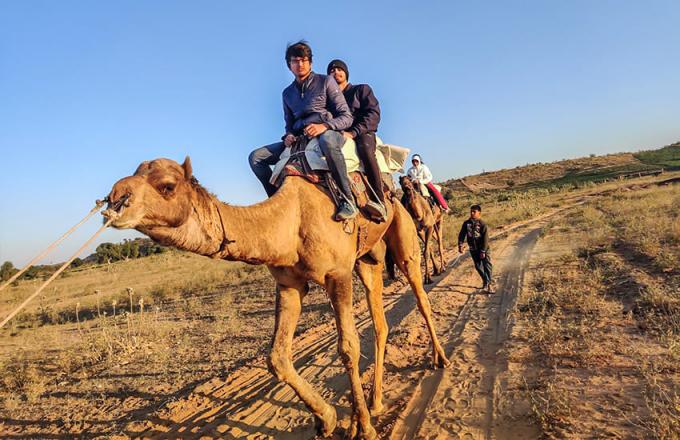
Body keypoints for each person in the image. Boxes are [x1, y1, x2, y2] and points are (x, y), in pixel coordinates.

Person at [248, 41, 357, 221]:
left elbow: (346, 116)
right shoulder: (287, 93)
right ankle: (276, 199)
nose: (300, 64)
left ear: (311, 63)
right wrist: (288, 135)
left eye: (304, 60)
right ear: (289, 65)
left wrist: (324, 127)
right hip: (300, 138)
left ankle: (347, 199)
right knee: (255, 157)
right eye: (295, 61)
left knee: (328, 141)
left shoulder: (326, 81)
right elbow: (289, 124)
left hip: (327, 132)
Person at [326, 59, 386, 222]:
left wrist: (354, 132)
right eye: (331, 71)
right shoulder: (329, 101)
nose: (335, 72)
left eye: (339, 69)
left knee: (365, 150)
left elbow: (373, 113)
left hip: (362, 132)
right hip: (339, 134)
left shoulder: (361, 90)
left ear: (345, 73)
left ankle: (379, 200)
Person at [458, 205, 493, 292]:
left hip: (483, 249)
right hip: (473, 249)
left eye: (474, 212)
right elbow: (462, 234)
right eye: (471, 211)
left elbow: (486, 238)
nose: (472, 213)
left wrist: (483, 250)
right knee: (478, 266)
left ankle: (489, 284)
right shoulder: (466, 223)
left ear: (479, 213)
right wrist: (460, 244)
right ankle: (486, 281)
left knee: (487, 266)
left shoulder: (482, 224)